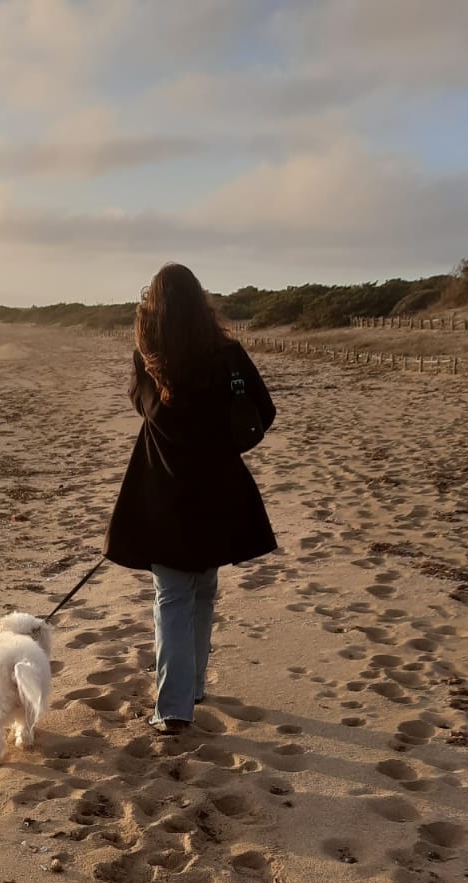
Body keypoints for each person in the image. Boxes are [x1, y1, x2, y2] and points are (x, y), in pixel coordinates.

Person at [104, 263, 277, 733]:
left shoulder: (150, 359)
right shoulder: (228, 353)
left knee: (174, 597)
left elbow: (143, 406)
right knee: (202, 590)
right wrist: (227, 444)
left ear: (153, 310)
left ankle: (176, 705)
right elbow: (264, 411)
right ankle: (192, 687)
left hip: (165, 492)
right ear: (202, 304)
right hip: (219, 491)